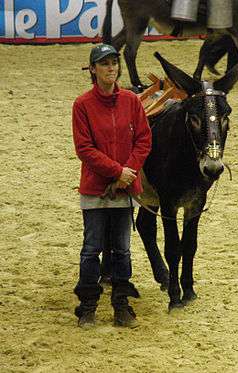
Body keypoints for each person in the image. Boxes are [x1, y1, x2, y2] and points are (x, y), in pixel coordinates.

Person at [72, 44, 152, 328]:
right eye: (104, 64)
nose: (111, 68)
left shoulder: (132, 101)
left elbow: (143, 139)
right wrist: (119, 172)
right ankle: (88, 307)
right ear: (93, 69)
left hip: (125, 188)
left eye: (114, 63)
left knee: (122, 249)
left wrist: (126, 175)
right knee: (91, 248)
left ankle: (121, 305)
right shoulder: (82, 105)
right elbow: (84, 148)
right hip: (97, 187)